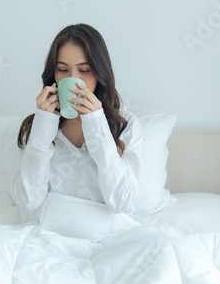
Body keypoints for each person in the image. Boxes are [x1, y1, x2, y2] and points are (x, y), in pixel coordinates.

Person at [11, 23, 144, 215]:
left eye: (84, 70)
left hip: (107, 238)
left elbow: (122, 203)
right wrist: (43, 125)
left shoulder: (125, 125)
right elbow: (28, 200)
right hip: (50, 236)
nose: (73, 80)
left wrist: (97, 123)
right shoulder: (37, 125)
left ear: (100, 73)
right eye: (63, 70)